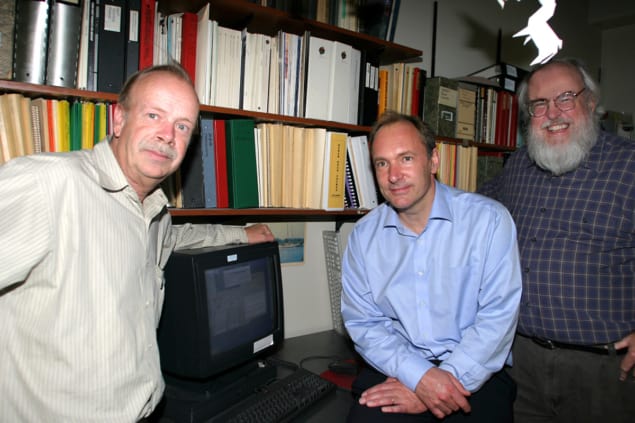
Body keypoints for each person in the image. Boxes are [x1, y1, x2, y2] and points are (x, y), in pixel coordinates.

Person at [0, 64, 274, 422]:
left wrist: (242, 233)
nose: (167, 135)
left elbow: (177, 236)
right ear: (118, 119)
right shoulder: (48, 185)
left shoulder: (153, 211)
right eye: (154, 114)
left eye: (182, 126)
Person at [478, 57, 635, 422]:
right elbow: (469, 211)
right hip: (521, 364)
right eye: (539, 104)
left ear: (591, 103)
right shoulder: (517, 166)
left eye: (565, 98)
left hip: (605, 372)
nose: (553, 113)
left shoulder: (629, 167)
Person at [341, 111, 522, 422]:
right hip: (397, 366)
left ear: (433, 162)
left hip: (477, 370)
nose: (393, 175)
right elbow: (365, 324)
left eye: (406, 158)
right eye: (382, 163)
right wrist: (419, 377)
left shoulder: (489, 221)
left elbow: (497, 320)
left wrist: (439, 383)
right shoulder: (362, 237)